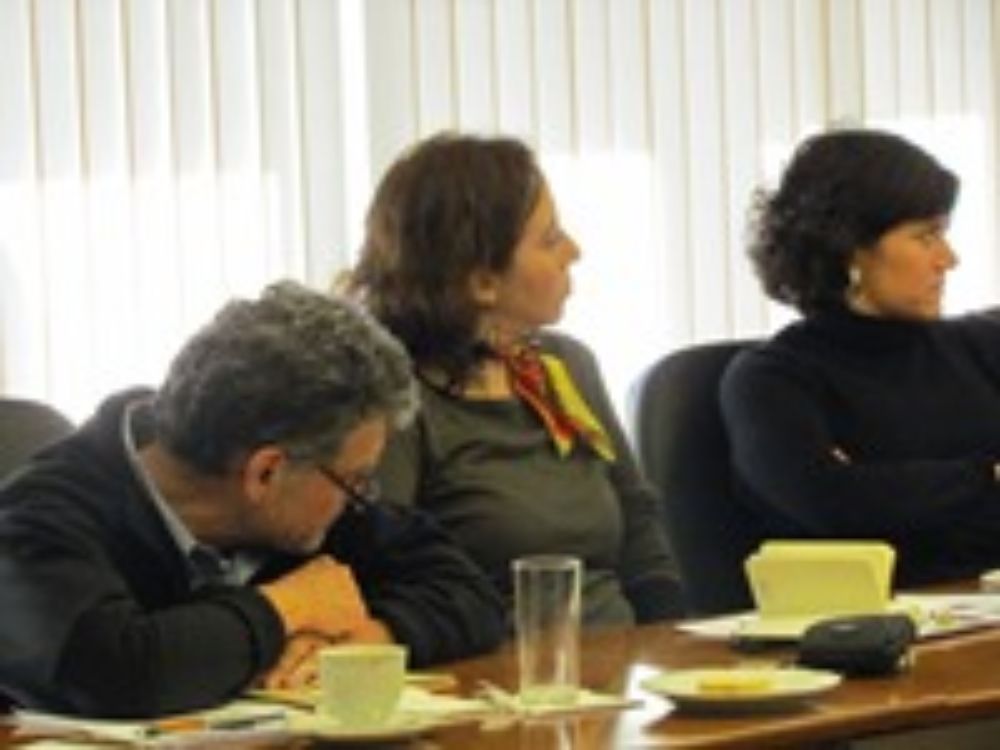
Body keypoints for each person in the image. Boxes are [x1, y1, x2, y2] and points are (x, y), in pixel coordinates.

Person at [0, 281, 504, 718]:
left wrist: (370, 635)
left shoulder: (312, 500)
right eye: (355, 480)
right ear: (265, 472)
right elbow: (111, 672)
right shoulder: (38, 515)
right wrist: (288, 607)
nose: (360, 500)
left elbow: (467, 592)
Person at [346, 132, 683, 626]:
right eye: (550, 239)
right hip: (489, 679)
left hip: (620, 670)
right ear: (481, 281)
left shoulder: (565, 366)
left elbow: (638, 523)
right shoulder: (394, 398)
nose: (575, 251)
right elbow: (386, 575)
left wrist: (673, 651)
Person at [720, 127, 1000, 588]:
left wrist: (892, 485)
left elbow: (872, 505)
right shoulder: (771, 380)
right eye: (926, 237)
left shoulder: (983, 345)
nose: (949, 259)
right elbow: (833, 506)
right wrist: (986, 475)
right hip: (872, 632)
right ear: (851, 247)